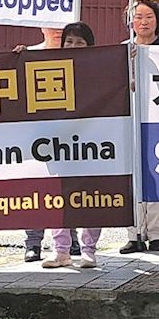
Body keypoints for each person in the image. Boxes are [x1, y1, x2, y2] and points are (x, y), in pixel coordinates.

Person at [41, 22, 108, 268]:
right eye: (69, 41)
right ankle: (61, 250)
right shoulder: (50, 67)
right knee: (58, 196)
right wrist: (19, 58)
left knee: (91, 196)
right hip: (59, 142)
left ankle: (89, 250)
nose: (73, 46)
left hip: (92, 142)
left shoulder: (102, 70)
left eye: (80, 42)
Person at [14, 27, 81, 261]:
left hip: (70, 132)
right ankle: (33, 242)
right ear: (42, 27)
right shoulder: (27, 54)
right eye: (52, 26)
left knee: (68, 187)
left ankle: (71, 239)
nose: (57, 31)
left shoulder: (80, 56)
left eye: (61, 27)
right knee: (36, 187)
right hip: (36, 132)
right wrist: (16, 60)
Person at [121, 0, 159, 254]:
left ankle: (157, 235)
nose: (143, 22)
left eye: (149, 16)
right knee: (133, 178)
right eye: (138, 16)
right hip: (130, 120)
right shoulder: (123, 49)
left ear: (157, 20)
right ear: (130, 21)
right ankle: (134, 234)